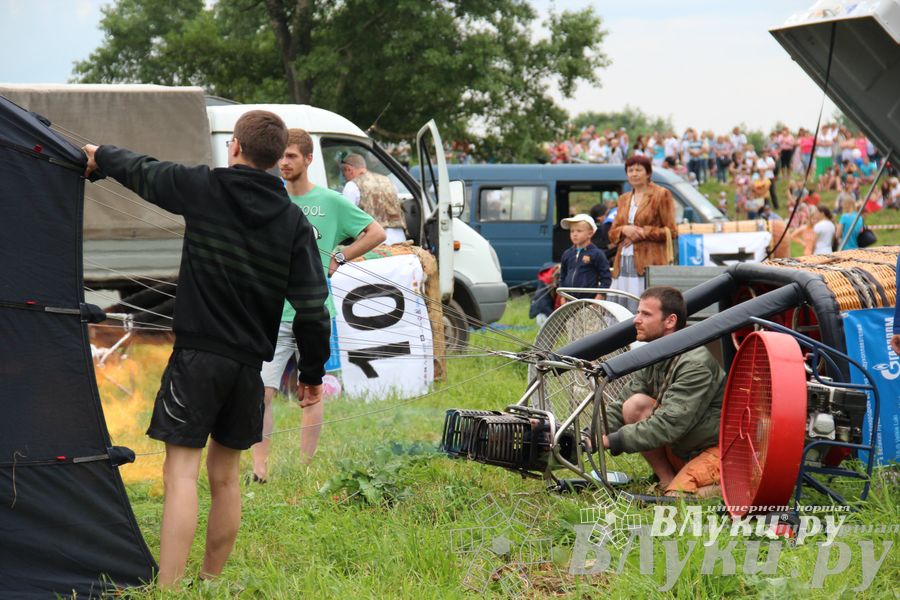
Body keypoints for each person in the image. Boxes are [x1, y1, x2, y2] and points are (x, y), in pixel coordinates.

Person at [81, 110, 330, 587]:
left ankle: (171, 589)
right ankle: (211, 583)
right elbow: (314, 310)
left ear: (235, 147)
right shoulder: (295, 223)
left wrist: (100, 157)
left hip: (197, 357)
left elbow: (145, 170)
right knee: (226, 476)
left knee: (180, 474)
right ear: (279, 159)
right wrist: (312, 376)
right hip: (248, 369)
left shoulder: (205, 187)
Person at [251, 129, 386, 482]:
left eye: (292, 156)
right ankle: (259, 470)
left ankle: (305, 468)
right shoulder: (271, 200)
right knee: (261, 393)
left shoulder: (331, 201)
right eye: (280, 155)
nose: (283, 162)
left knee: (311, 391)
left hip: (313, 314)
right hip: (274, 314)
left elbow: (376, 233)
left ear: (309, 159)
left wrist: (339, 256)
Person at [588, 287, 725, 496]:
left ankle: (733, 485)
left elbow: (669, 424)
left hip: (717, 451)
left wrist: (610, 441)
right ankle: (666, 479)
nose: (636, 319)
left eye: (645, 314)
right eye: (638, 312)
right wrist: (588, 436)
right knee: (635, 405)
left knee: (676, 497)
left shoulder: (695, 363)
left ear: (670, 321)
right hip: (685, 447)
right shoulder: (656, 354)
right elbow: (621, 405)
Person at [608, 155, 677, 313]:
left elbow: (671, 231)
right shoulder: (624, 199)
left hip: (649, 263)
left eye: (638, 170)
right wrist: (624, 230)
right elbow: (612, 233)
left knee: (645, 307)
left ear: (648, 173)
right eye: (630, 170)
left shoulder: (661, 194)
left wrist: (642, 232)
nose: (634, 173)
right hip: (623, 263)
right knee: (622, 312)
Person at [340, 153, 407, 244]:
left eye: (344, 174)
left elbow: (346, 219)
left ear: (349, 170)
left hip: (374, 243)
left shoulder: (352, 185)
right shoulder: (387, 181)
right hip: (399, 240)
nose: (344, 178)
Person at [558, 214, 612, 302]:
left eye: (579, 231)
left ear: (590, 233)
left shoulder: (597, 254)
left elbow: (606, 278)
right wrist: (562, 296)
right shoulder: (567, 254)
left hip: (589, 302)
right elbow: (562, 277)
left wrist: (599, 297)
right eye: (572, 231)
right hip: (569, 302)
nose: (574, 234)